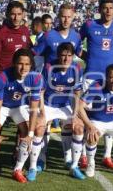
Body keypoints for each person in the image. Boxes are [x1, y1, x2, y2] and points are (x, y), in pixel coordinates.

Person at [0, 48, 44, 183]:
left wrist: (31, 134)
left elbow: (33, 109)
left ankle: (18, 169)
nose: (23, 67)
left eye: (27, 64)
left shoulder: (36, 78)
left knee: (27, 134)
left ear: (31, 65)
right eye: (20, 64)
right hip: (2, 106)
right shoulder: (3, 77)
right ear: (14, 63)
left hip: (19, 106)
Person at [79, 0, 113, 169]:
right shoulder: (89, 25)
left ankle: (107, 155)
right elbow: (76, 43)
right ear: (100, 10)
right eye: (105, 8)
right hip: (91, 76)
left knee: (110, 114)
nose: (108, 11)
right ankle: (84, 154)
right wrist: (86, 56)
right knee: (89, 115)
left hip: (111, 78)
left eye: (111, 8)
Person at [36, 42, 85, 180]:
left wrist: (75, 116)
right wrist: (43, 114)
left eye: (69, 56)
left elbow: (77, 94)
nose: (66, 59)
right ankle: (41, 160)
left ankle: (72, 163)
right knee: (41, 126)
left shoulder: (77, 68)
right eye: (63, 55)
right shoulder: (49, 66)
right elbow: (41, 92)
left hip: (65, 104)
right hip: (48, 103)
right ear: (58, 56)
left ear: (73, 56)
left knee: (79, 127)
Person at [33, 3, 82, 137]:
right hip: (49, 84)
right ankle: (41, 157)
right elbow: (34, 53)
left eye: (69, 17)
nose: (66, 20)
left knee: (69, 125)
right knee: (43, 125)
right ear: (58, 17)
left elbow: (80, 53)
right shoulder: (48, 35)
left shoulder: (76, 36)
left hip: (66, 85)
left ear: (73, 18)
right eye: (63, 17)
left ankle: (69, 156)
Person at [0, 1, 31, 75]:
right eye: (13, 14)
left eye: (19, 14)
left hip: (21, 77)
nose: (16, 18)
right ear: (7, 14)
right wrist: (0, 79)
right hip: (5, 77)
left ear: (23, 15)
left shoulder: (25, 31)